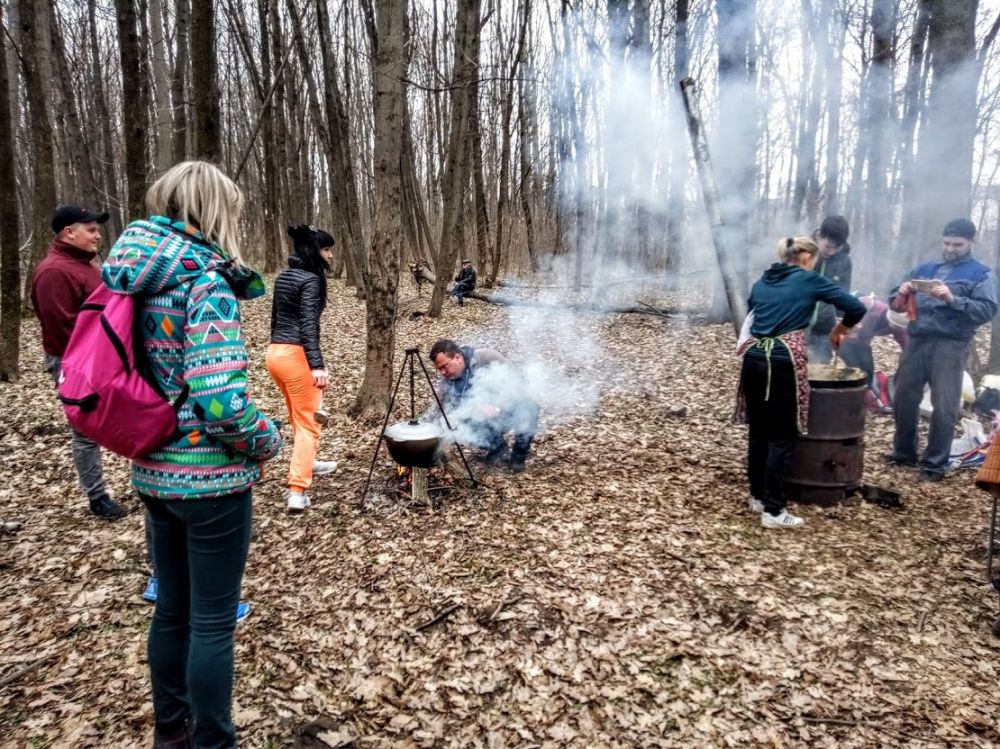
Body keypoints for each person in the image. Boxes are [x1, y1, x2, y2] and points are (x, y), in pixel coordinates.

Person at [102, 161, 283, 749]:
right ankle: (214, 741)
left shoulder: (133, 276)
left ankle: (170, 732)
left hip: (152, 470)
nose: (238, 218)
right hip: (210, 483)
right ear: (214, 210)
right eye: (233, 208)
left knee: (171, 611)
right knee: (211, 622)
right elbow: (221, 402)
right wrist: (267, 438)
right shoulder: (205, 281)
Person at [737, 236, 866, 529]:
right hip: (781, 364)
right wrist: (840, 329)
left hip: (753, 360)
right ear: (807, 256)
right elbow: (856, 307)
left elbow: (755, 314)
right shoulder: (809, 281)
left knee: (758, 433)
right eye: (816, 257)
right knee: (781, 436)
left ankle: (757, 496)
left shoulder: (762, 282)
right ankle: (773, 510)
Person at [30, 205, 126, 520]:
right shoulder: (55, 272)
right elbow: (64, 329)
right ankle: (97, 497)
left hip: (100, 357)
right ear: (69, 232)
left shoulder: (83, 266)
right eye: (91, 229)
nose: (98, 235)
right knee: (85, 431)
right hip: (74, 363)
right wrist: (95, 361)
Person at [886, 218, 997, 481]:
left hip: (951, 344)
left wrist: (952, 299)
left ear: (972, 241)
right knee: (903, 397)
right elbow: (893, 301)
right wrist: (900, 292)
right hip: (917, 339)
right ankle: (904, 453)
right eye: (947, 243)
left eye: (957, 244)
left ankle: (934, 464)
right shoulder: (926, 267)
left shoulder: (981, 274)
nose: (950, 248)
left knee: (945, 404)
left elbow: (986, 310)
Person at [266, 224, 338, 512]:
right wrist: (316, 365)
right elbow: (309, 324)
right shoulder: (311, 279)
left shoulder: (284, 277)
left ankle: (309, 461)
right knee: (309, 424)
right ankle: (297, 491)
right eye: (326, 249)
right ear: (313, 250)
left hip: (275, 354)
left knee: (298, 418)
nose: (330, 256)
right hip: (296, 355)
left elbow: (274, 319)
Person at [429, 339, 539, 473]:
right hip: (482, 419)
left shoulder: (486, 358)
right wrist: (424, 429)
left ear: (457, 357)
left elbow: (519, 382)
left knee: (529, 406)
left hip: (509, 408)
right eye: (439, 369)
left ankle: (518, 457)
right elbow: (439, 408)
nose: (443, 372)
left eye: (445, 366)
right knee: (462, 422)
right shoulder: (448, 381)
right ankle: (498, 448)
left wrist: (498, 406)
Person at [838, 293, 908, 394]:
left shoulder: (894, 320)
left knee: (868, 371)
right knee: (855, 371)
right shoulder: (864, 306)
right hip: (848, 343)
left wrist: (907, 354)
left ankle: (869, 395)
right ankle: (853, 393)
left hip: (863, 344)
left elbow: (903, 340)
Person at [807, 215, 853, 362]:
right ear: (819, 235)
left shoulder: (844, 261)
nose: (831, 252)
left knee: (819, 377)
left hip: (823, 333)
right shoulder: (802, 252)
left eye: (836, 248)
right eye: (827, 246)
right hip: (796, 329)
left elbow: (842, 297)